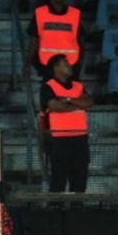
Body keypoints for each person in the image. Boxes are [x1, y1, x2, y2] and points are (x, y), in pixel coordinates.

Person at [40, 53, 92, 193]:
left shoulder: (78, 85)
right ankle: (56, 206)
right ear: (55, 67)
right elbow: (56, 106)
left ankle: (77, 206)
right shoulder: (48, 86)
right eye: (65, 63)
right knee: (58, 181)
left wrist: (68, 100)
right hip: (59, 139)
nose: (70, 65)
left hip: (80, 138)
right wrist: (78, 104)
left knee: (79, 181)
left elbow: (89, 102)